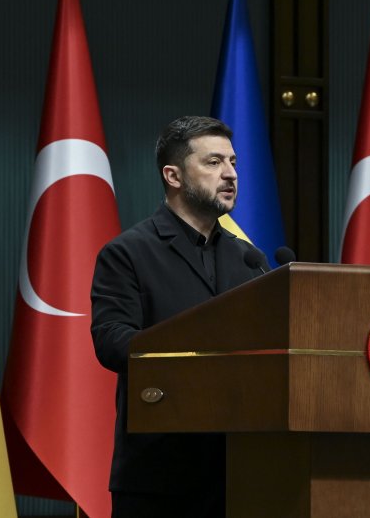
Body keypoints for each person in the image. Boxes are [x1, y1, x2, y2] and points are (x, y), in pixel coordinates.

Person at [91, 115, 268, 518]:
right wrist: (198, 347)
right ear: (173, 176)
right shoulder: (128, 253)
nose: (230, 174)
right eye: (213, 162)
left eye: (233, 162)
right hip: (159, 475)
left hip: (239, 472)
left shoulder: (249, 259)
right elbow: (111, 340)